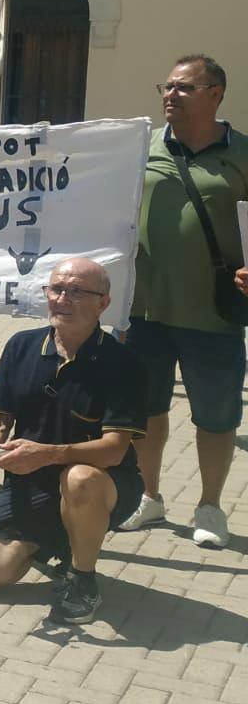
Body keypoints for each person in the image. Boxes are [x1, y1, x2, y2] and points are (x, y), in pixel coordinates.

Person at [0, 258, 147, 625]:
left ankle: (83, 579)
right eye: (56, 289)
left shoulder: (124, 362)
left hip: (104, 483)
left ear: (103, 303)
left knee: (79, 478)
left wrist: (48, 455)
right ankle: (54, 540)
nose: (62, 298)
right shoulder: (21, 346)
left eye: (76, 291)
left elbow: (114, 449)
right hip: (31, 483)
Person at [121, 55, 248, 547]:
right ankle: (149, 498)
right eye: (167, 86)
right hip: (143, 311)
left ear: (216, 94)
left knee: (216, 416)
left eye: (184, 88)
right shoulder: (141, 147)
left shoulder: (241, 153)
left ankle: (211, 507)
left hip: (213, 313)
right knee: (145, 410)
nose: (170, 95)